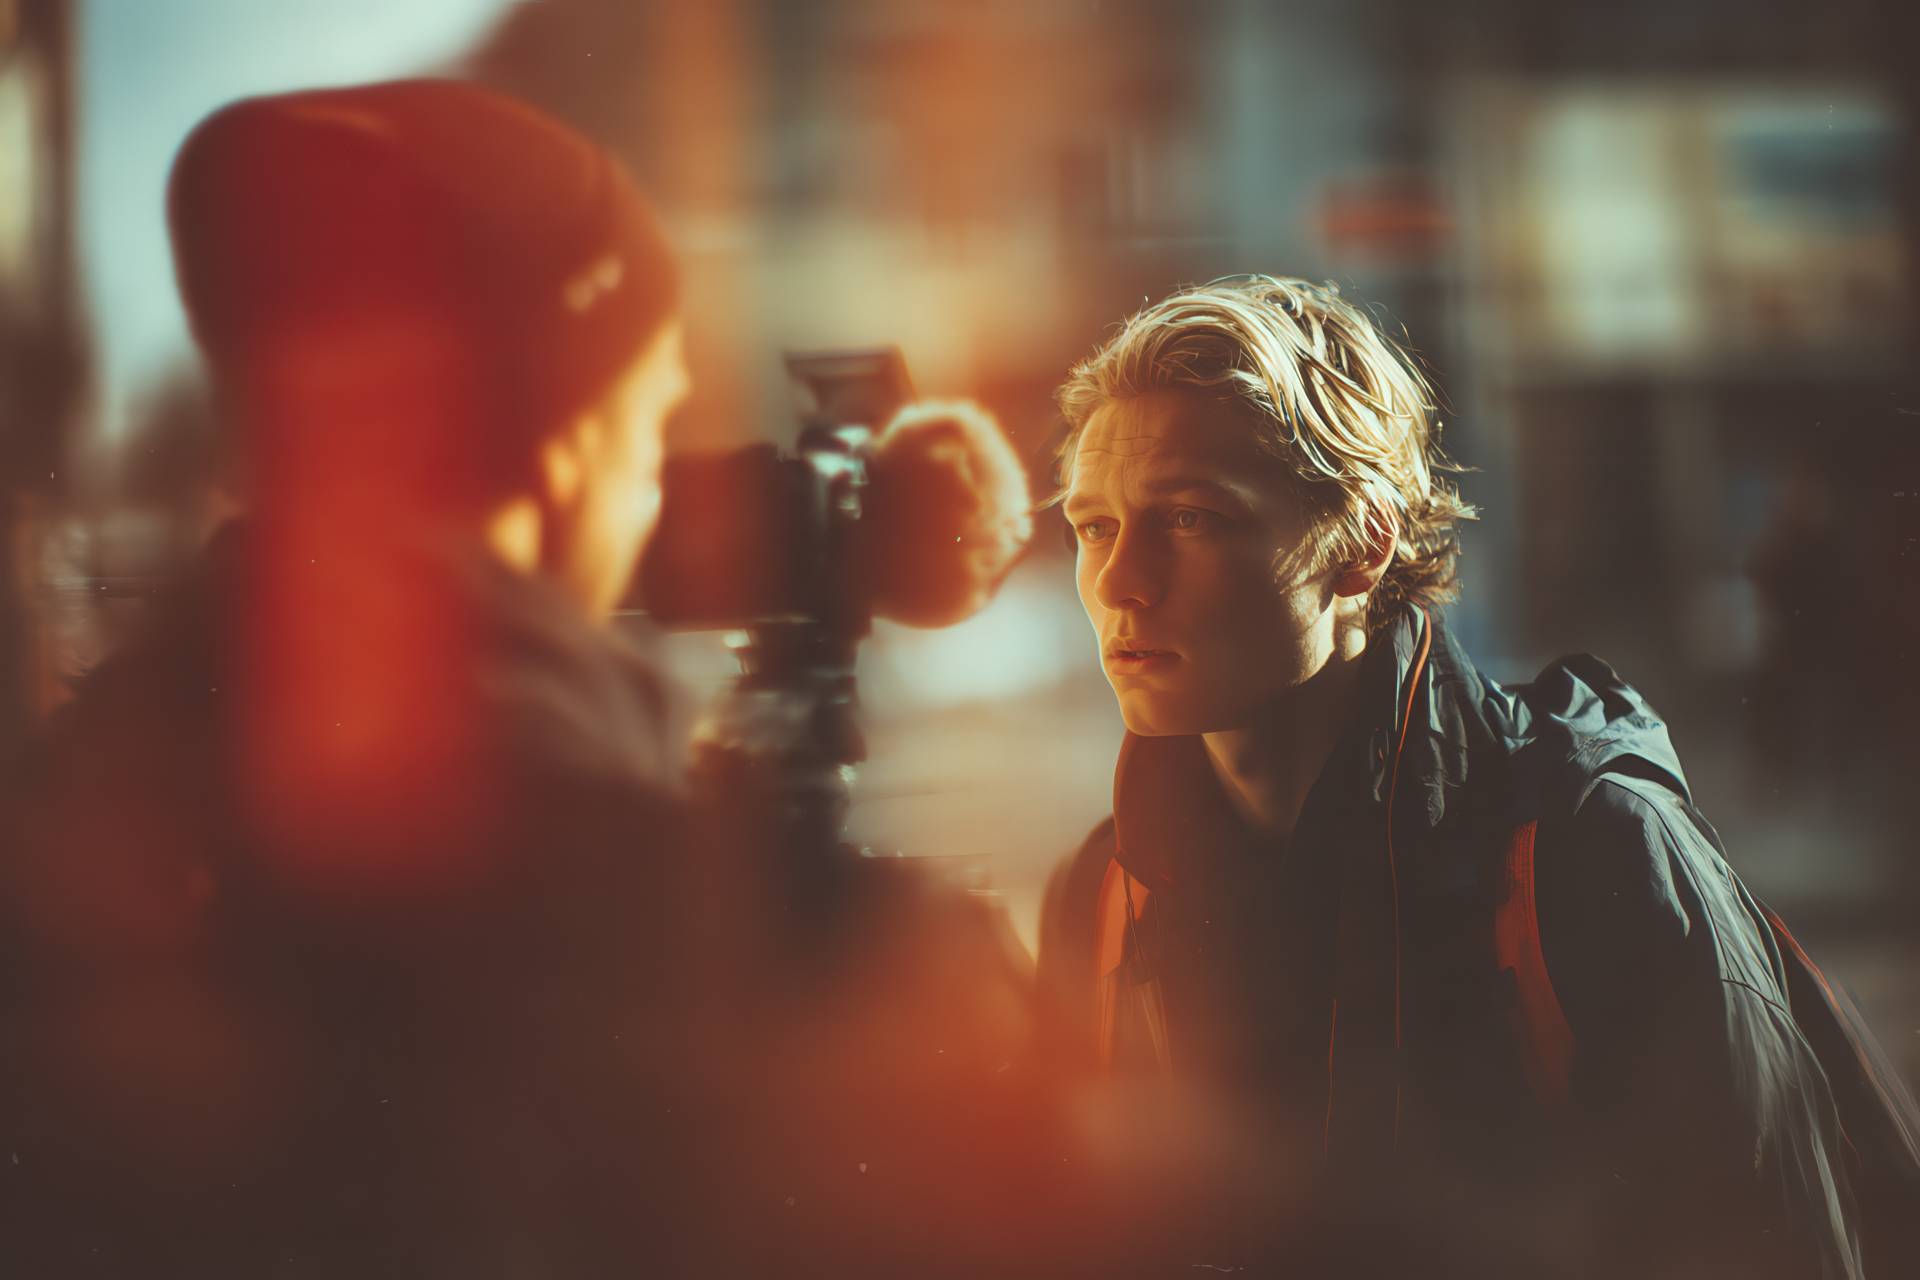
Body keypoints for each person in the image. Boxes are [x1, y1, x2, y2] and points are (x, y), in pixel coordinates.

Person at [0, 80, 712, 1275]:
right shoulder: (626, 878)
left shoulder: (86, 793)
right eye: (653, 429)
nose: (651, 495)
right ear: (567, 433)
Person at [1033, 275, 1875, 1276]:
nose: (1120, 581)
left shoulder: (1586, 845)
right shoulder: (1101, 895)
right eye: (1093, 526)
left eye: (1190, 519)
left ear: (1360, 544)